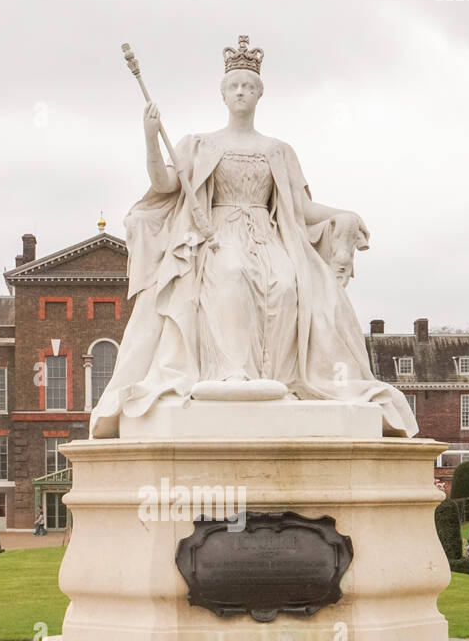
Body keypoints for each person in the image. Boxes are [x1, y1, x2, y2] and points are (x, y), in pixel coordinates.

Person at [90, 36, 418, 440]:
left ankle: (278, 380)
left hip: (269, 236)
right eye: (234, 86)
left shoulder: (278, 150)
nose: (241, 91)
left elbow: (302, 210)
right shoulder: (200, 144)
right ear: (223, 94)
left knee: (285, 284)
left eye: (248, 86)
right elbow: (164, 184)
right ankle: (232, 373)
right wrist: (149, 137)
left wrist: (343, 216)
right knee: (232, 272)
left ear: (259, 93)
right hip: (216, 236)